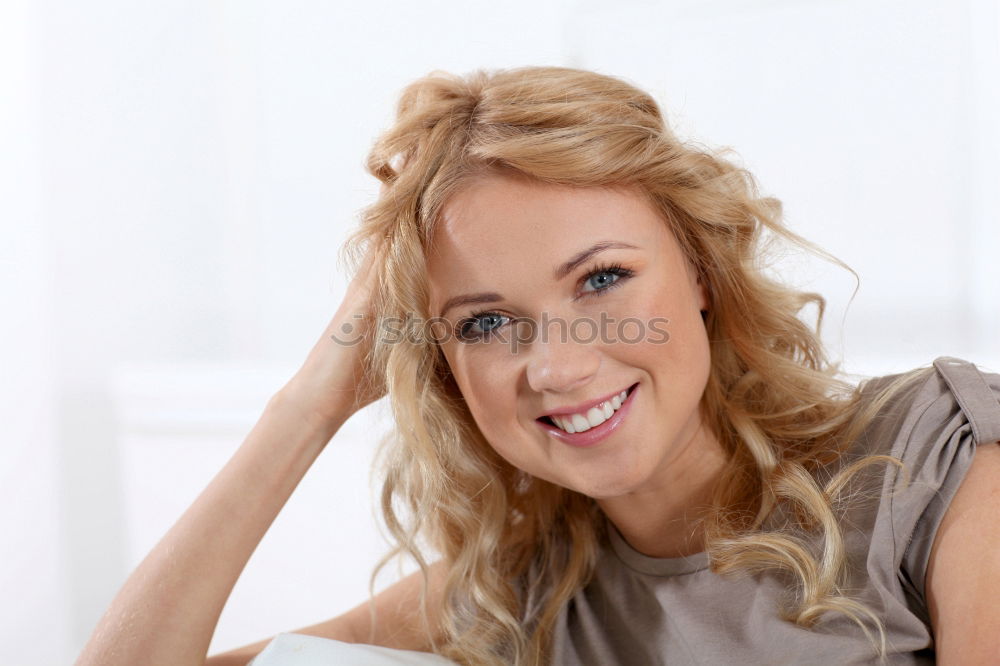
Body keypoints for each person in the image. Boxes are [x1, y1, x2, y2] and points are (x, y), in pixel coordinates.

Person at [76, 67, 1000, 666]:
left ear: (704, 271)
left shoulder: (938, 457)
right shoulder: (518, 588)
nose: (556, 368)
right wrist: (309, 403)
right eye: (484, 324)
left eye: (602, 279)